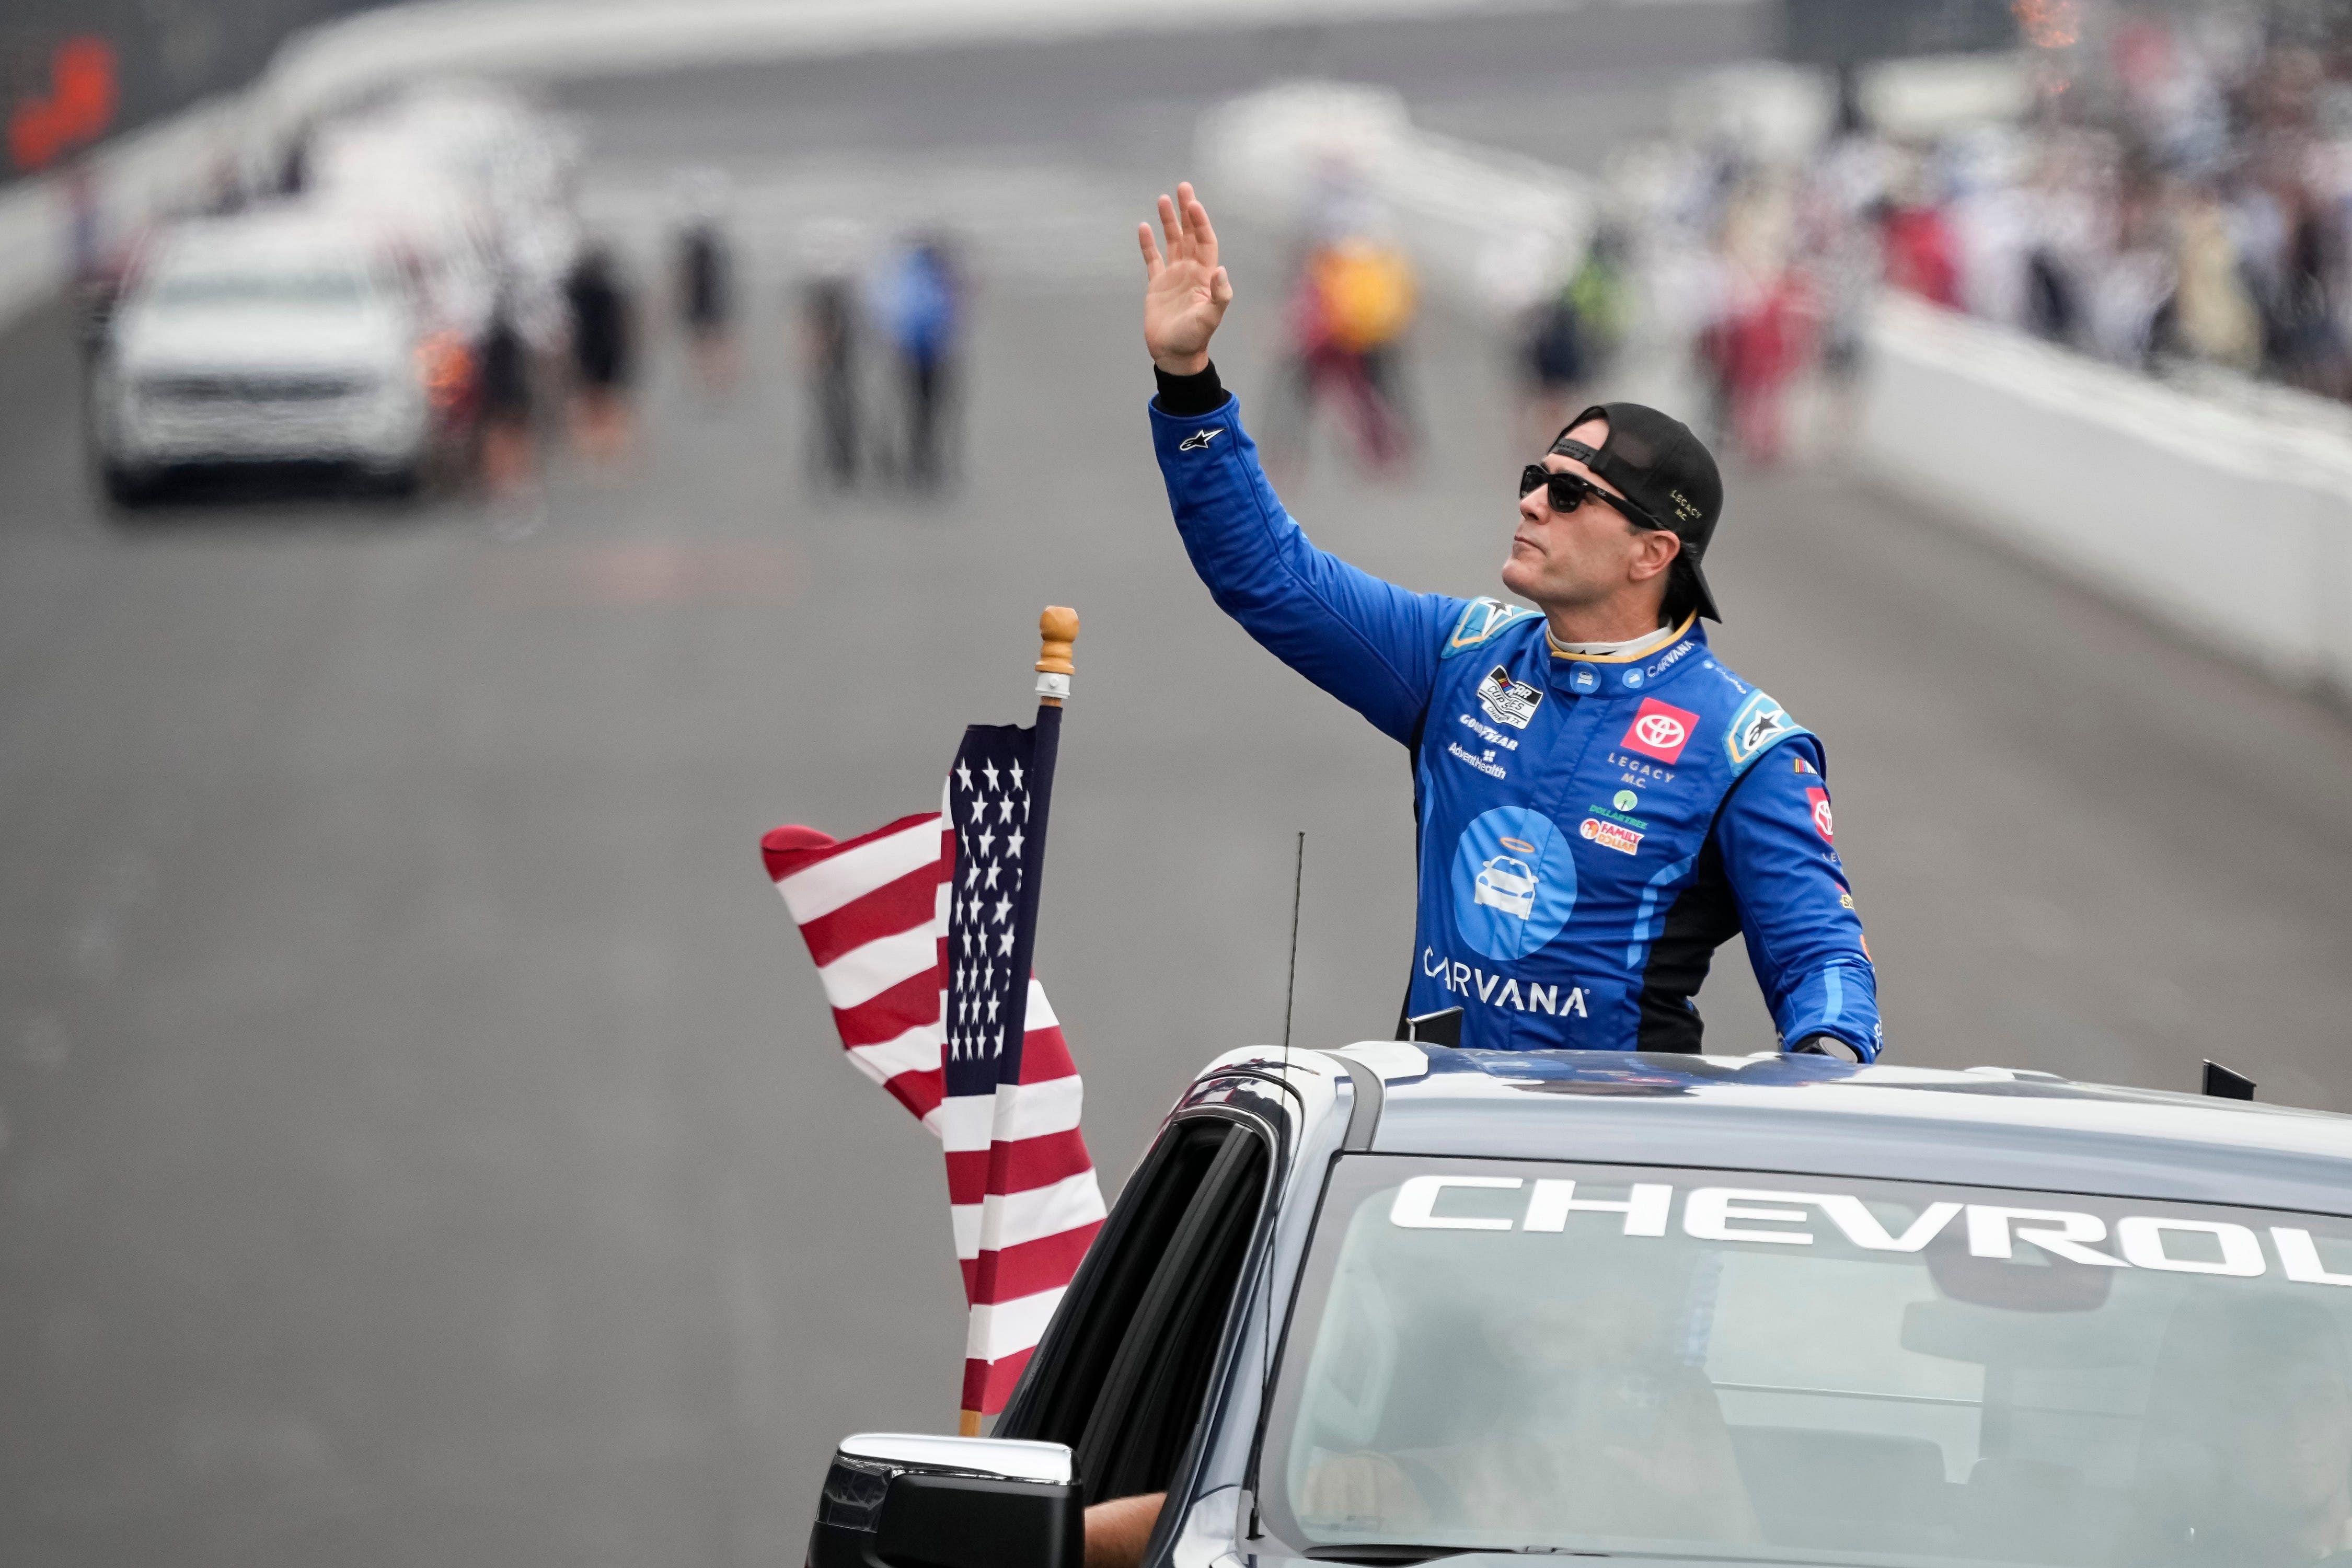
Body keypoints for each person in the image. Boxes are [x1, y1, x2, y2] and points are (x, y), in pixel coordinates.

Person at [1138, 182, 1882, 1059]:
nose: (1531, 502)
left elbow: (1823, 965)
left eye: (1568, 495)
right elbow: (1267, 574)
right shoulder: (1461, 657)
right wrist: (1188, 384)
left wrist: (1827, 1071)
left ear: (1653, 553)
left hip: (1609, 1165)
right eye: (1535, 477)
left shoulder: (1745, 746)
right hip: (1428, 1145)